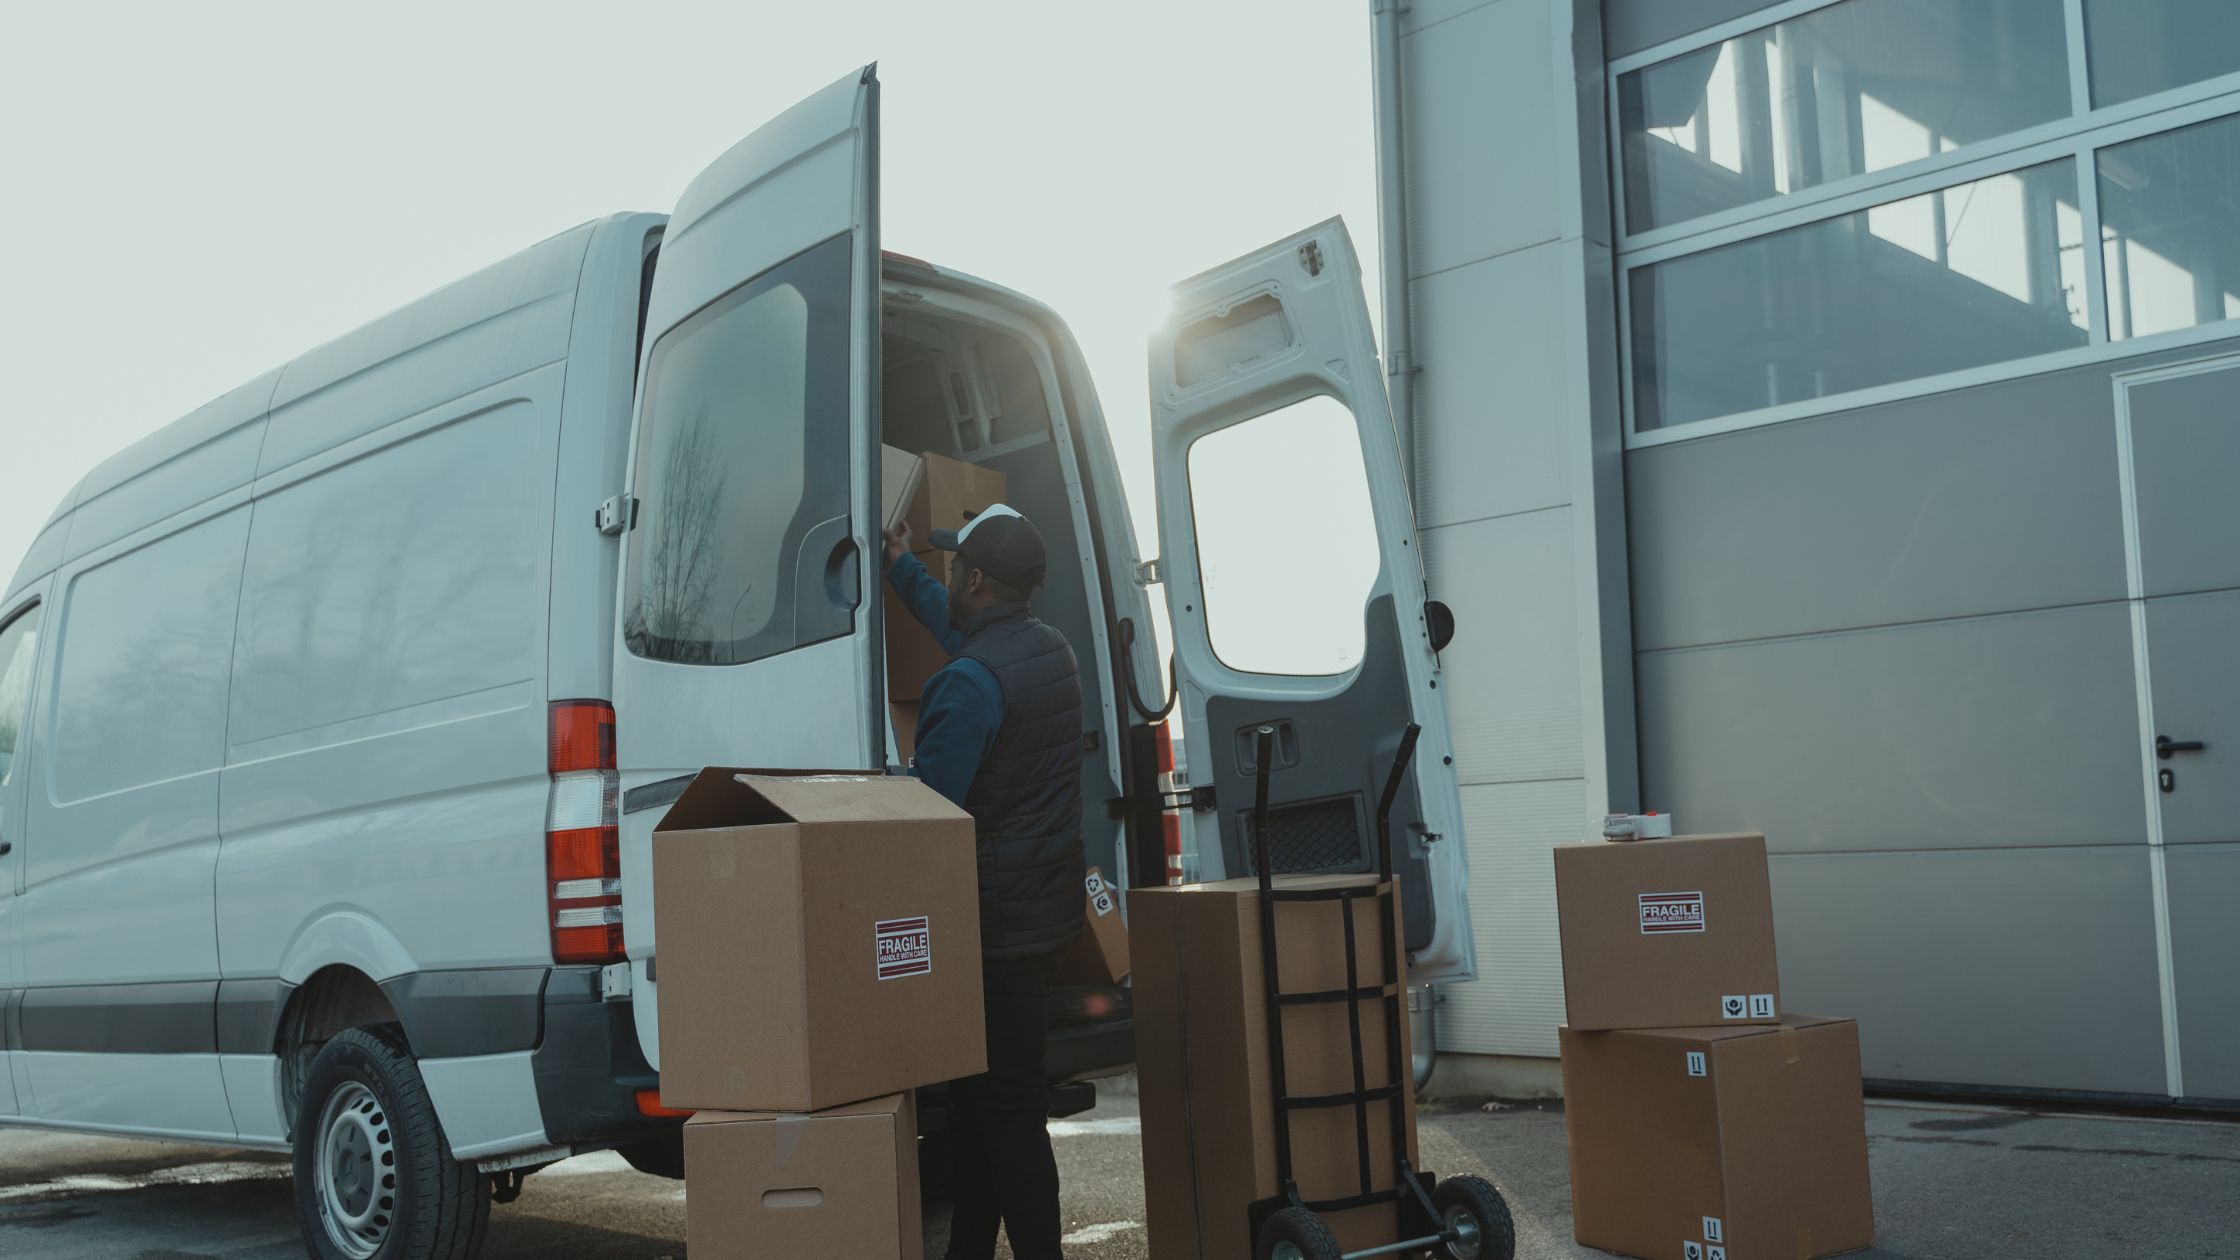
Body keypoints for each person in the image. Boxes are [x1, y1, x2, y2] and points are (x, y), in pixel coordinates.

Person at [883, 503, 1084, 1260]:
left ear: (975, 577)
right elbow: (963, 631)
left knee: (1004, 1119)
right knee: (982, 1115)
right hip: (1039, 923)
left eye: (950, 566)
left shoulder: (969, 684)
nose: (947, 577)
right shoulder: (1049, 651)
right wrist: (900, 562)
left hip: (989, 934)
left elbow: (926, 811)